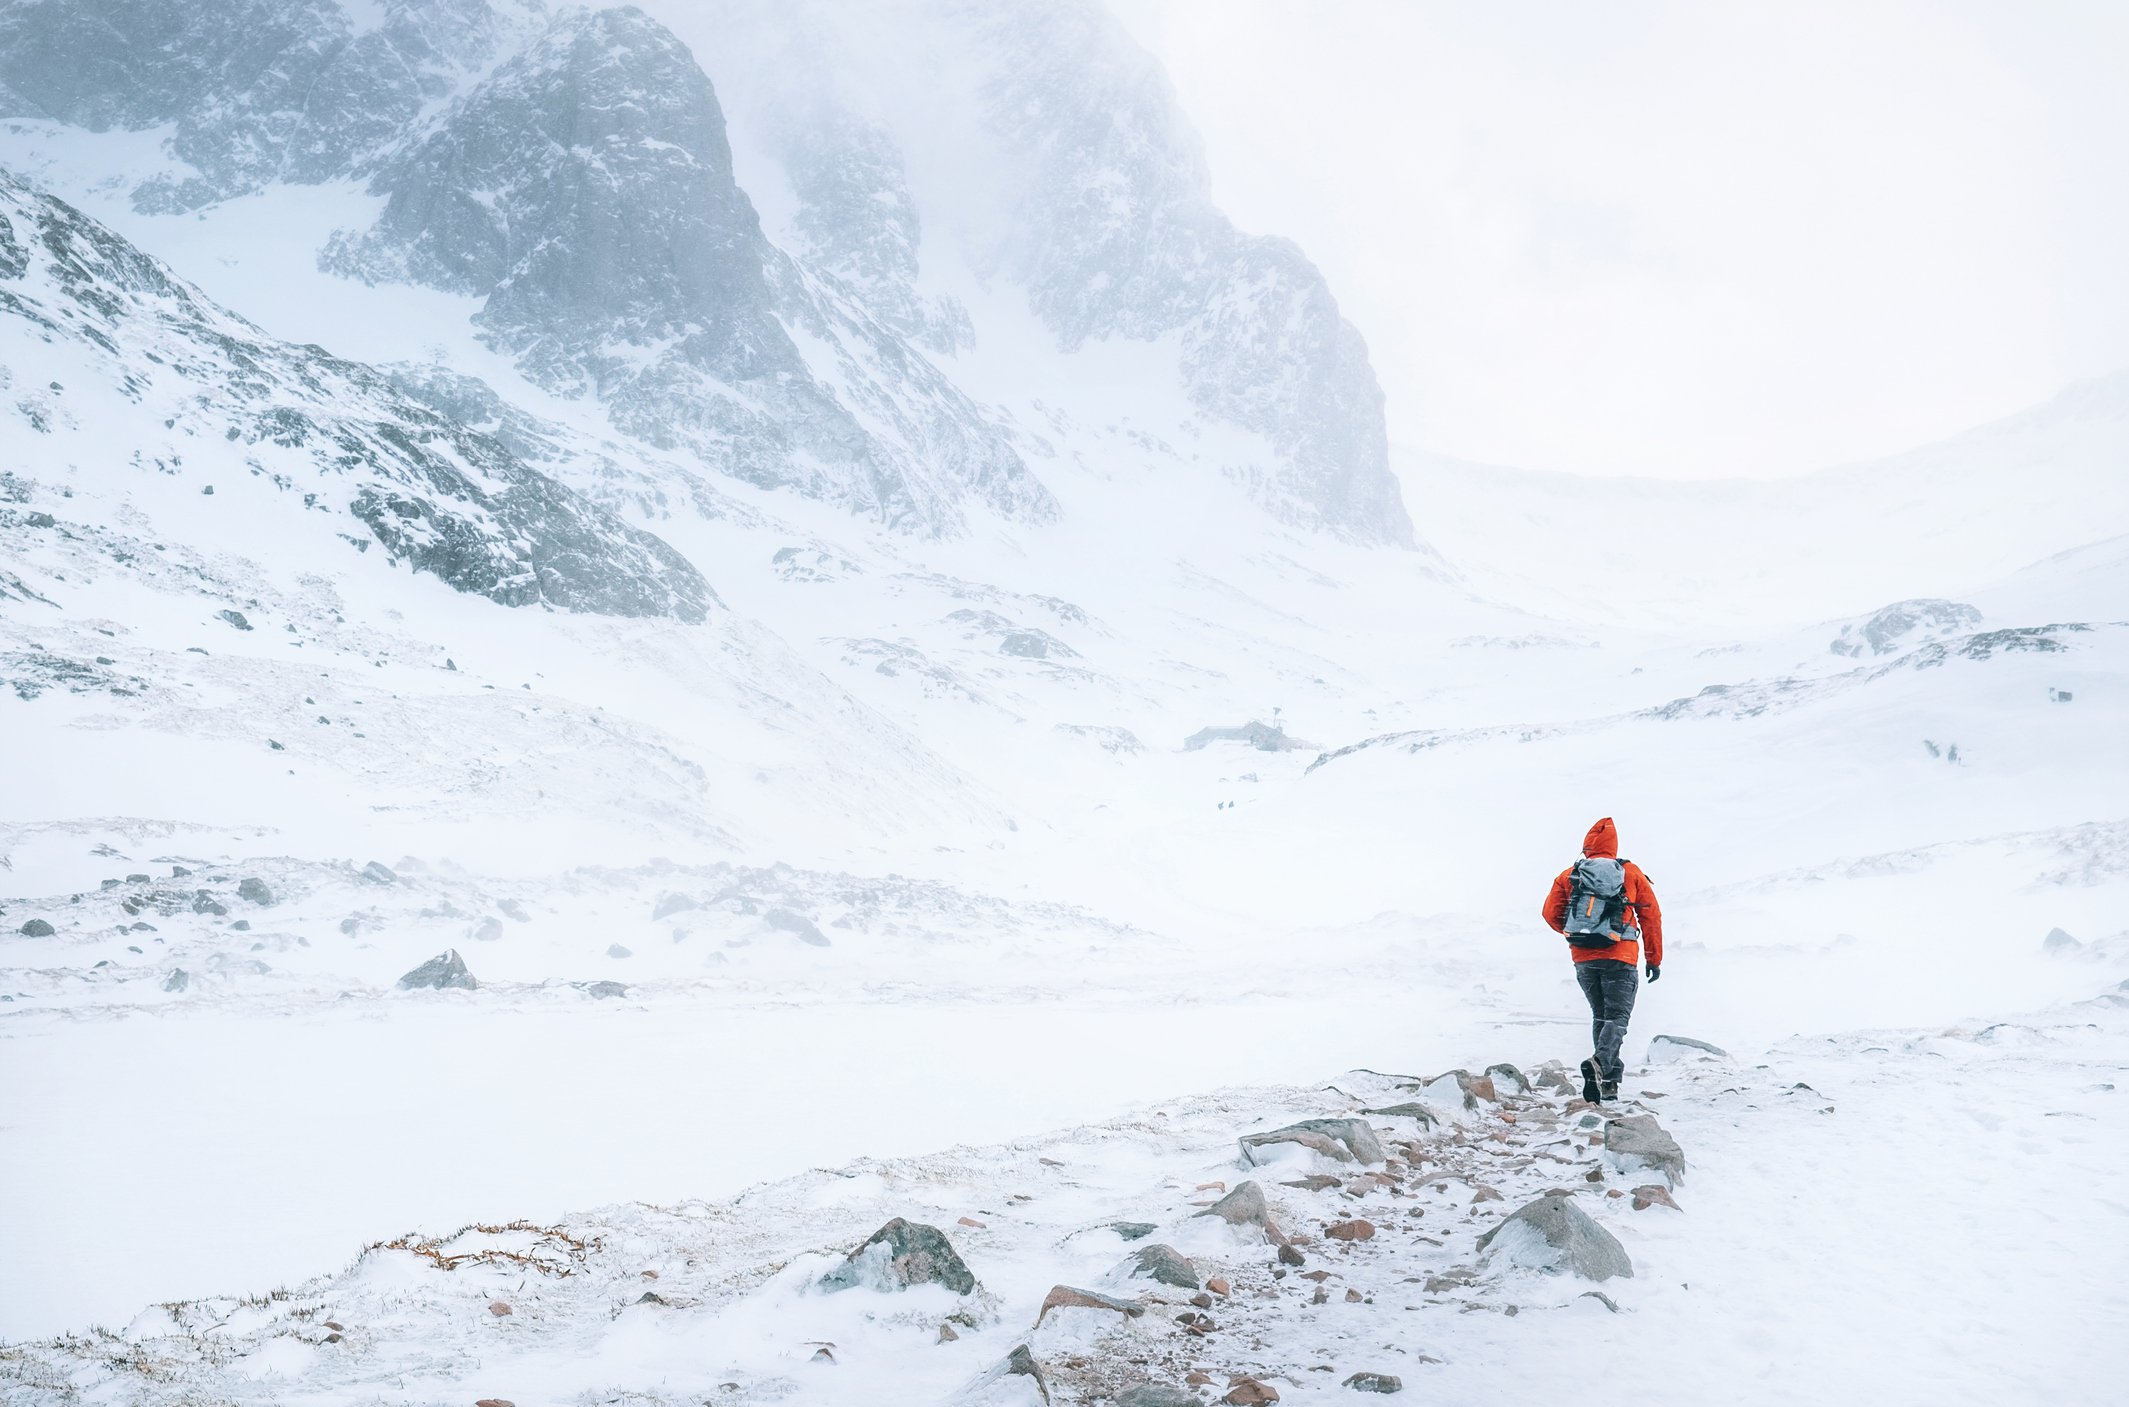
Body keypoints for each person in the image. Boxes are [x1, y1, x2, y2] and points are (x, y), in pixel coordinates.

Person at [1541, 817, 1663, 1102]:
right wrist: (1653, 959)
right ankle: (1599, 1064)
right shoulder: (1630, 873)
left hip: (1584, 959)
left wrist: (1577, 935)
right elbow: (1651, 917)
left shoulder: (1569, 875)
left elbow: (1550, 913)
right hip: (1620, 957)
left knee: (1601, 1016)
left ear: (1588, 846)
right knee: (1617, 1018)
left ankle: (1607, 1085)